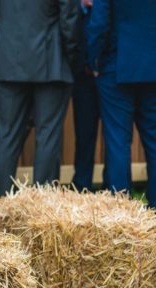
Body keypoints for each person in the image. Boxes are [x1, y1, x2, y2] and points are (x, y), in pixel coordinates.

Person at [0, 0, 80, 198]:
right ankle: (42, 206)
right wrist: (73, 55)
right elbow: (69, 18)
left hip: (9, 57)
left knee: (7, 135)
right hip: (51, 59)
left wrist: (10, 24)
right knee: (47, 135)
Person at [87, 0, 156, 207]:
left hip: (116, 67)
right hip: (152, 68)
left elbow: (99, 23)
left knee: (118, 142)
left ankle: (121, 208)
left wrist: (94, 61)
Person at [71, 0, 104, 191]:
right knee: (84, 134)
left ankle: (113, 188)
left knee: (114, 136)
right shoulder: (75, 7)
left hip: (109, 74)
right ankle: (82, 187)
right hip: (82, 74)